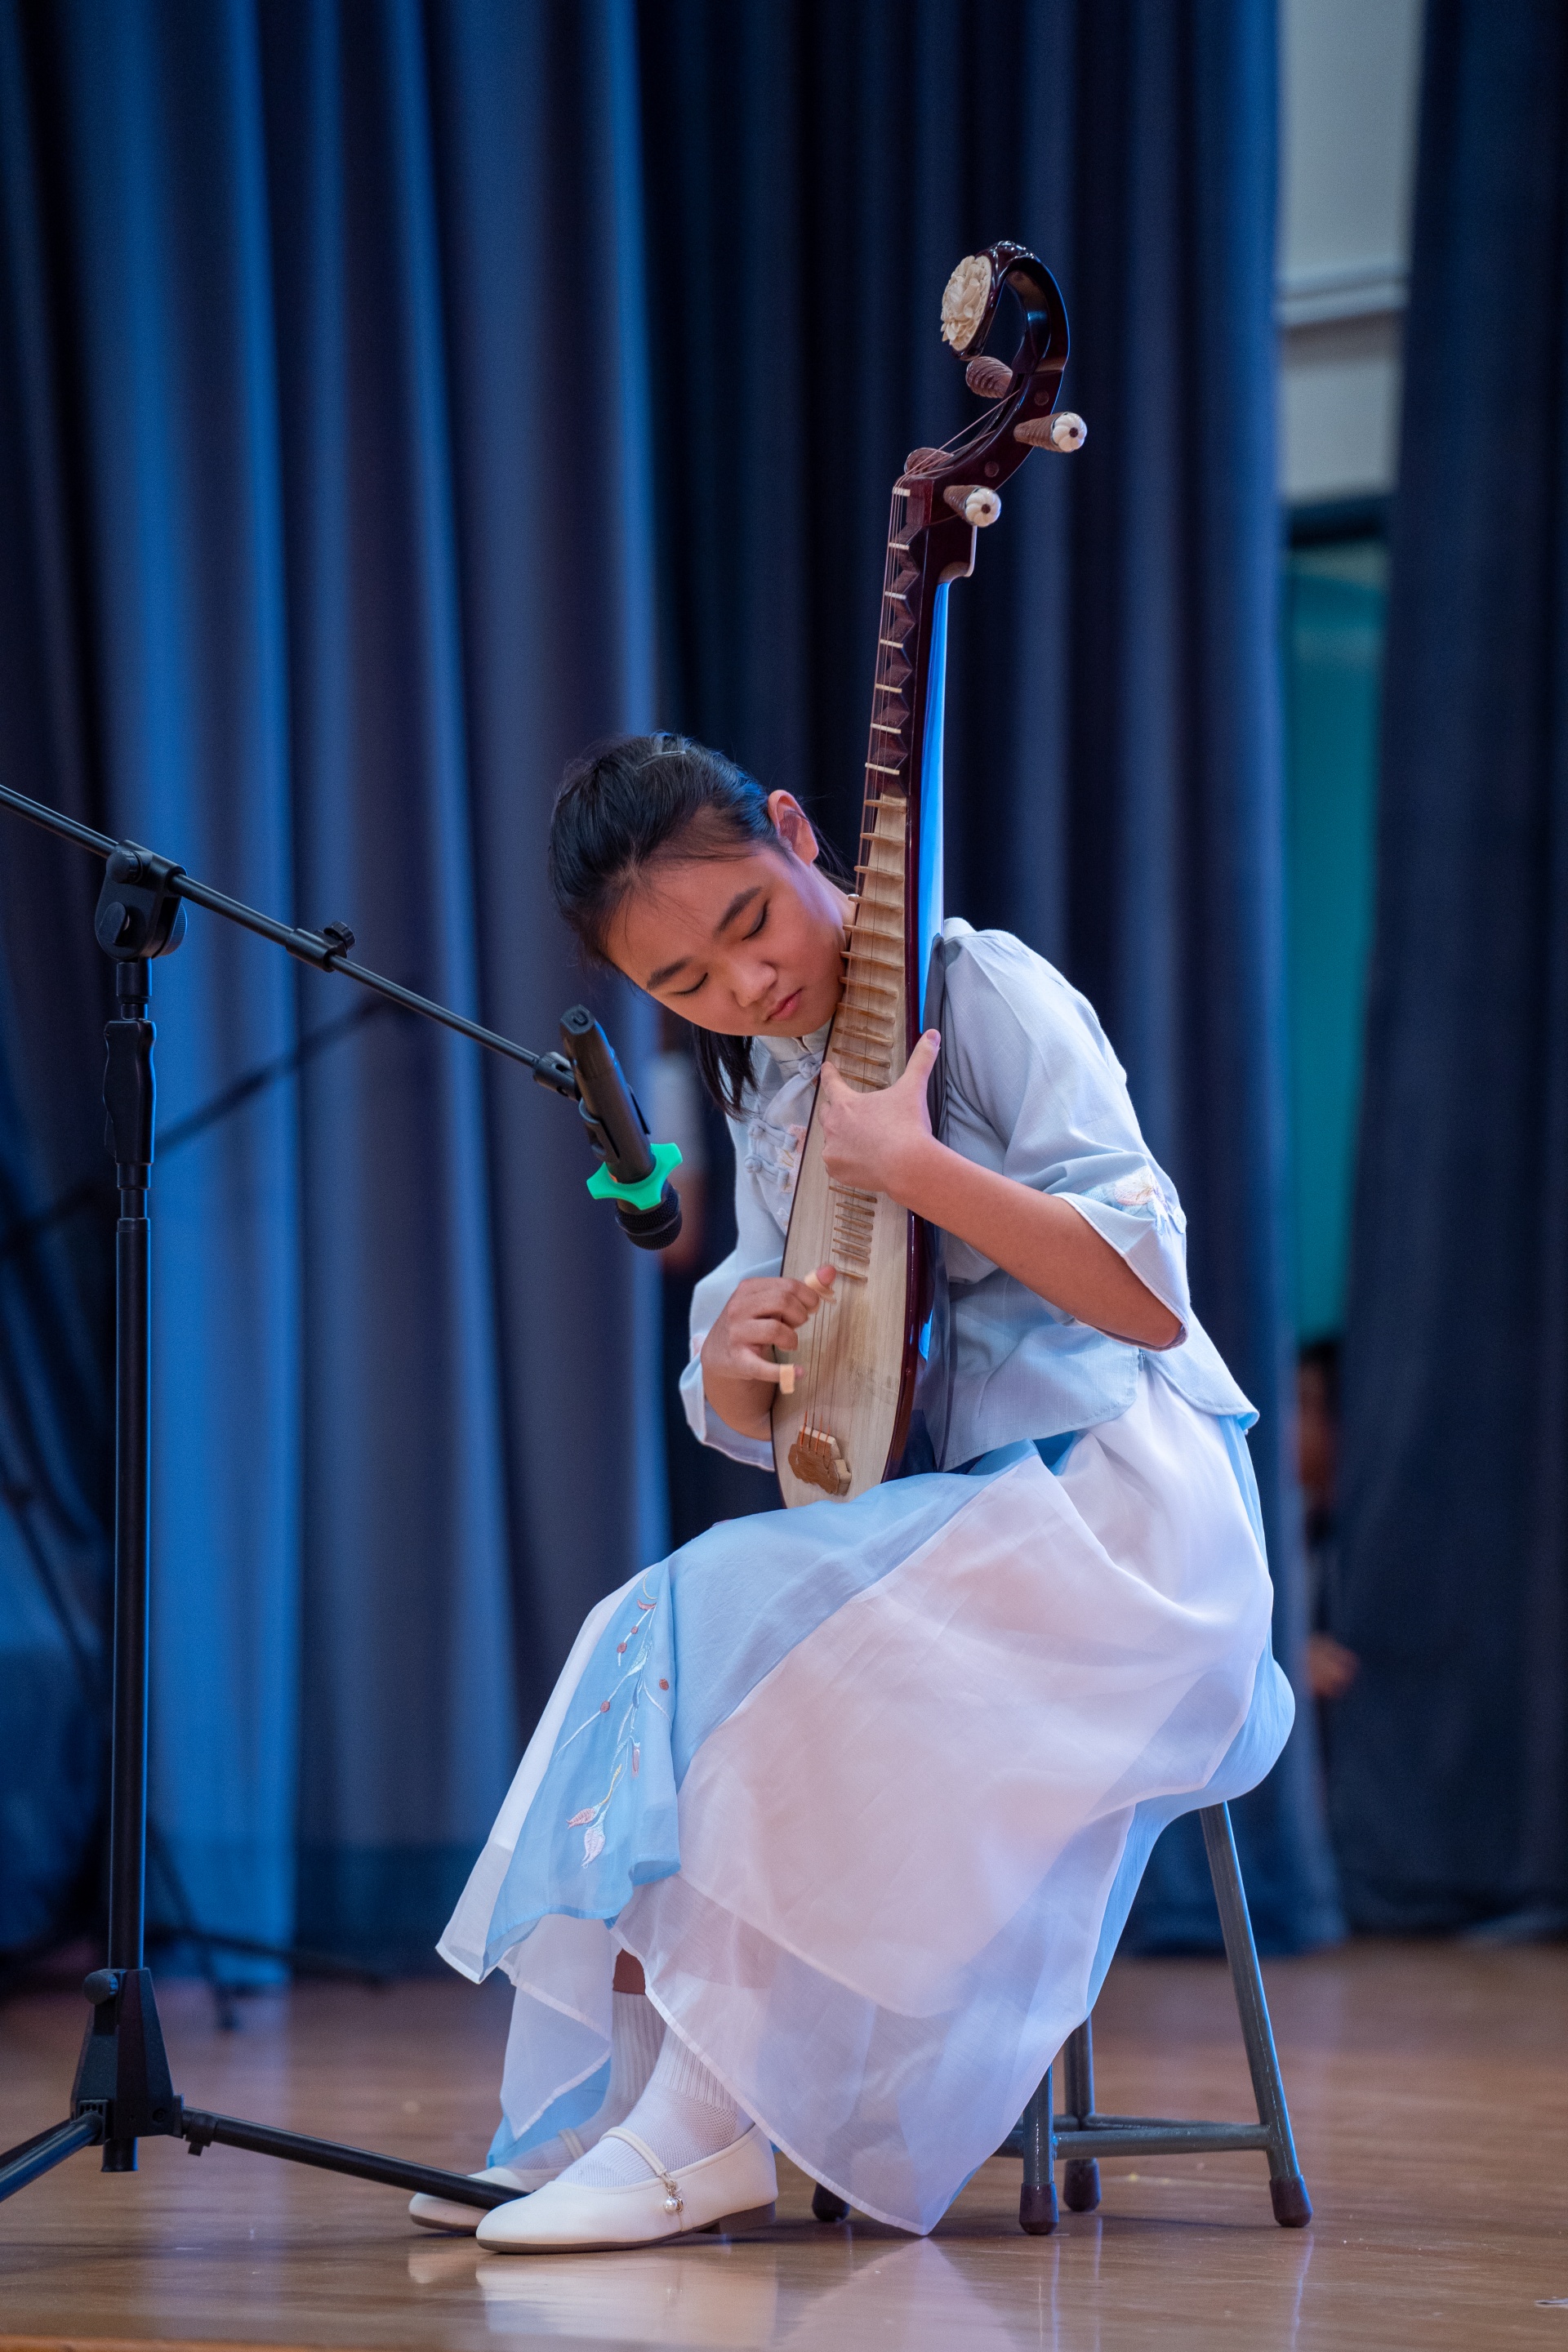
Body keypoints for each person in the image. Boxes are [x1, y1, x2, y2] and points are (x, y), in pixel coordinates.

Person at [411, 733, 1293, 2252]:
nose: (744, 987)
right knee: (662, 1623)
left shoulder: (979, 988)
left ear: (802, 834)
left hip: (1125, 1522)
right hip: (977, 1522)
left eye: (749, 923)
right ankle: (621, 2111)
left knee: (728, 1611)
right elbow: (806, 1387)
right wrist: (736, 1356)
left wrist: (915, 1163)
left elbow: (1153, 1295)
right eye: (685, 983)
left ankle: (709, 2126)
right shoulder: (770, 1076)